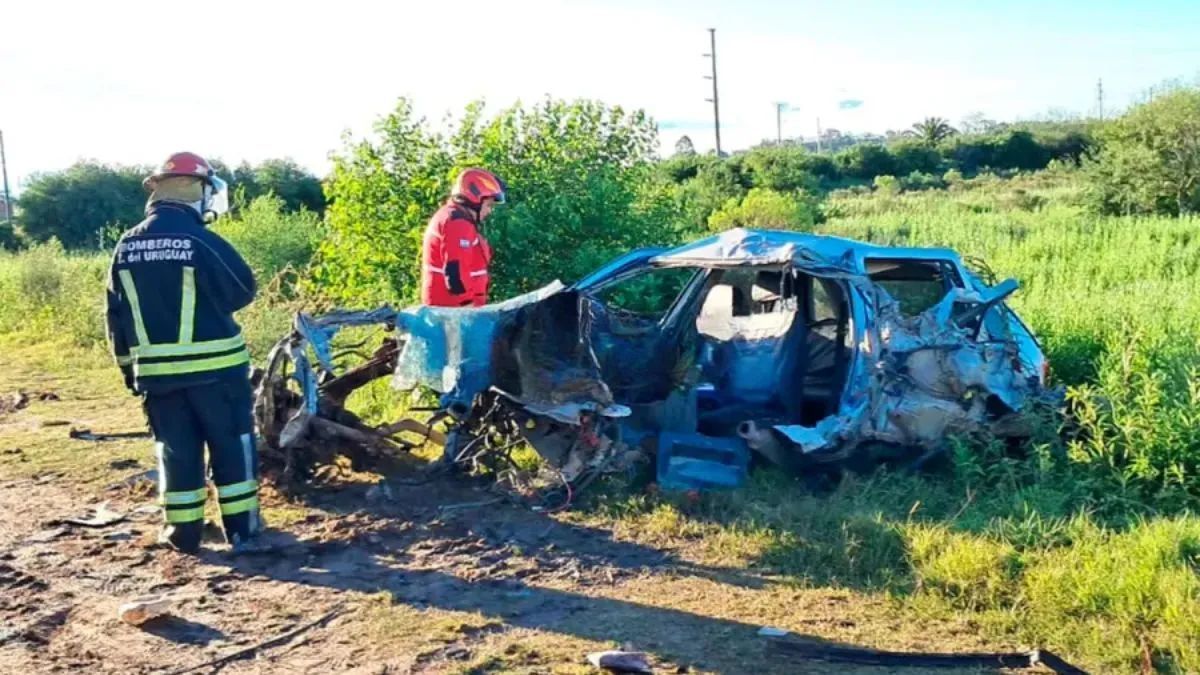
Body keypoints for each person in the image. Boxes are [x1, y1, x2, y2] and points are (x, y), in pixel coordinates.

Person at [105, 151, 261, 554]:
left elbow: (115, 319)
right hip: (217, 374)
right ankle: (243, 531)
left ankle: (183, 534)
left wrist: (130, 371)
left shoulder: (126, 245)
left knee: (175, 452)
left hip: (157, 378)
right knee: (231, 448)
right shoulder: (199, 241)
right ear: (198, 192)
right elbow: (243, 289)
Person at [421, 168, 506, 307]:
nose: (489, 211)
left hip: (453, 308)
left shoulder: (455, 218)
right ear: (476, 200)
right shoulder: (457, 223)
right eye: (489, 205)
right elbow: (456, 272)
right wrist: (467, 307)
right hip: (453, 309)